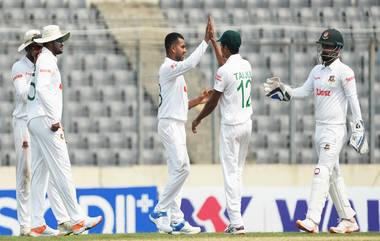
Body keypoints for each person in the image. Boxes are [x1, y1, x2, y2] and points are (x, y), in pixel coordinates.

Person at [263, 28, 367, 234]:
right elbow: (303, 91)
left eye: (328, 46)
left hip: (336, 130)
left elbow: (353, 100)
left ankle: (312, 219)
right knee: (333, 175)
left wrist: (358, 125)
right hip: (320, 129)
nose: (324, 49)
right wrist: (286, 90)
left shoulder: (345, 72)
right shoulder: (316, 71)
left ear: (338, 48)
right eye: (322, 46)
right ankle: (348, 219)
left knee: (321, 171)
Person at [26, 25, 102, 236]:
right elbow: (41, 89)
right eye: (59, 40)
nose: (62, 43)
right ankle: (77, 219)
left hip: (34, 118)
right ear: (50, 43)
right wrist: (53, 119)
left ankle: (37, 223)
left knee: (41, 173)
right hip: (44, 119)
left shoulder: (44, 59)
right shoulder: (47, 59)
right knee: (62, 168)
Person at [149, 17, 212, 234]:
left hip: (176, 124)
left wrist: (199, 100)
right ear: (171, 48)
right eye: (182, 46)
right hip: (169, 125)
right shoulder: (168, 67)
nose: (184, 50)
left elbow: (180, 104)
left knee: (177, 171)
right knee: (183, 169)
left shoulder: (175, 73)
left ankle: (176, 220)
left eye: (185, 47)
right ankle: (158, 210)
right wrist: (205, 42)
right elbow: (191, 63)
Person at [192, 29, 253, 235]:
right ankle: (236, 220)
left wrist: (198, 118)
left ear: (226, 47)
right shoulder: (246, 65)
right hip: (247, 125)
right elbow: (226, 67)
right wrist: (213, 41)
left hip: (231, 127)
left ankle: (236, 223)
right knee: (237, 174)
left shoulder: (224, 71)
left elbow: (212, 103)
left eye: (221, 45)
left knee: (229, 175)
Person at [12, 29, 72, 236]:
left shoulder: (42, 63)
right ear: (29, 48)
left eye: (41, 46)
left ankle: (51, 221)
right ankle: (24, 225)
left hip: (40, 119)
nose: (39, 50)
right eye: (36, 47)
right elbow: (23, 94)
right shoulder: (19, 66)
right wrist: (38, 83)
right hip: (22, 121)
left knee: (44, 169)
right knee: (25, 172)